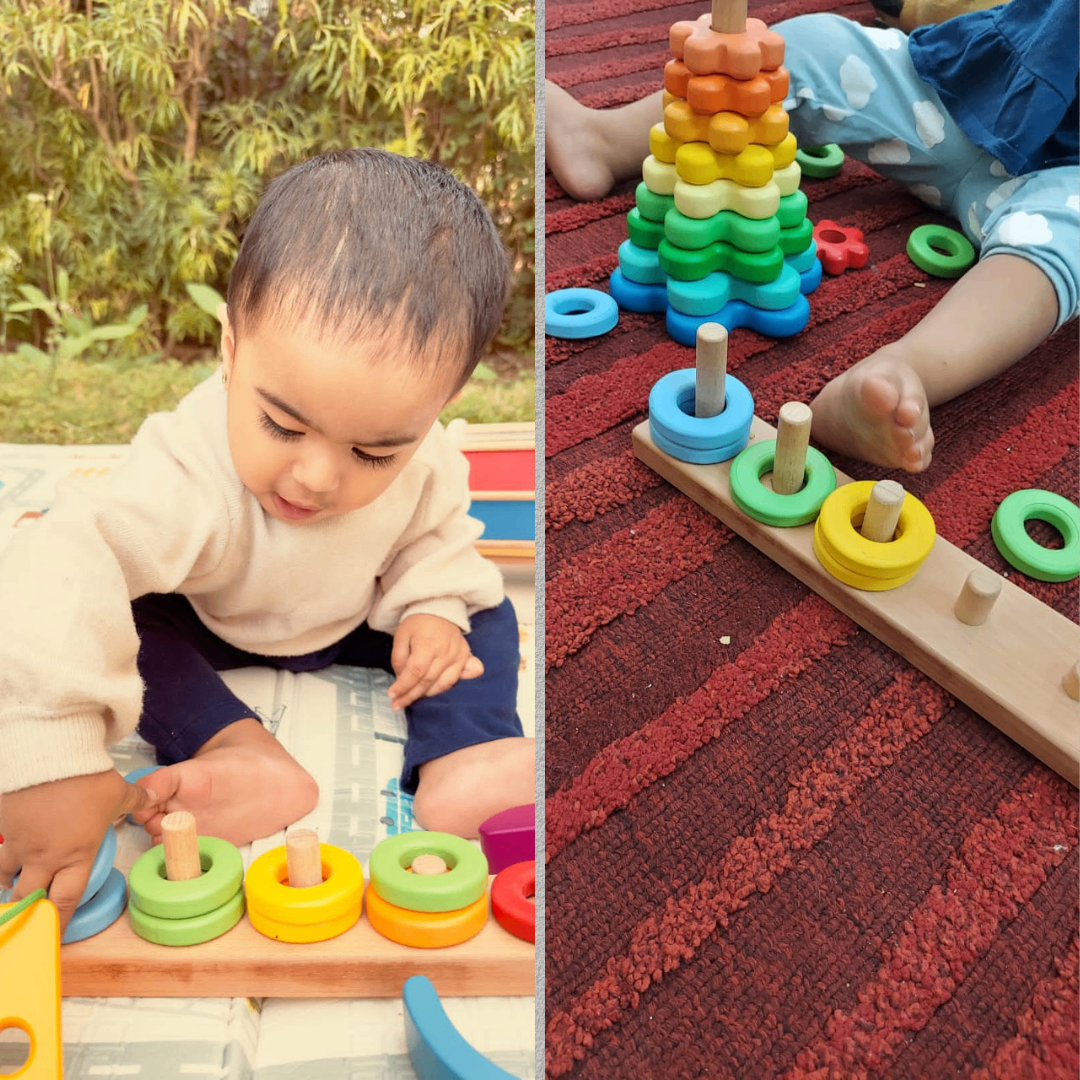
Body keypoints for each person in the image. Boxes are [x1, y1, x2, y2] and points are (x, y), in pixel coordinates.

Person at [0, 148, 534, 934]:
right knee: (125, 622)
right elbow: (69, 553)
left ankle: (464, 757)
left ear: (436, 409)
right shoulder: (187, 471)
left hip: (354, 616)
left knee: (482, 613)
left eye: (375, 452)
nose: (316, 477)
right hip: (212, 617)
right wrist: (48, 750)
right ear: (231, 347)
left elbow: (435, 534)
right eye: (282, 424)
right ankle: (239, 748)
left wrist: (432, 609)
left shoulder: (426, 455)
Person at [546, 0, 1079, 472]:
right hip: (974, 91)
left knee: (1055, 255)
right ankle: (603, 139)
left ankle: (905, 369)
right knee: (795, 49)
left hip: (1064, 181)